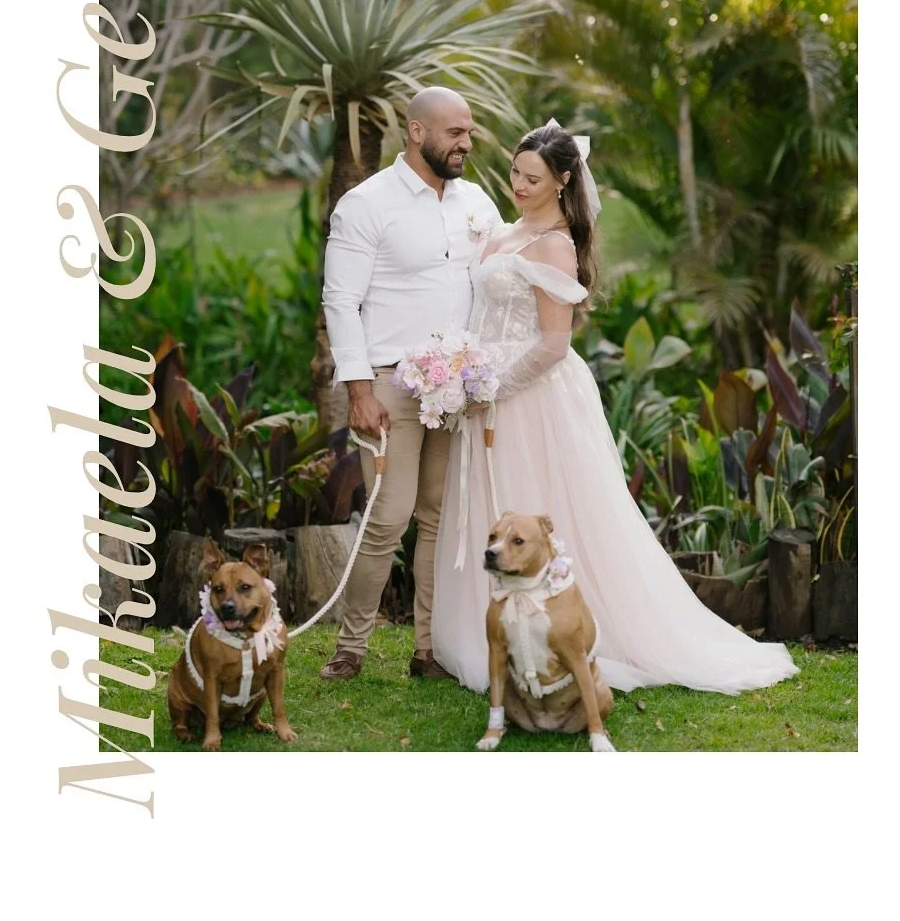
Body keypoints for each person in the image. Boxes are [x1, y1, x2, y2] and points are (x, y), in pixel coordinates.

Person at [431, 119, 800, 696]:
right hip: (482, 388)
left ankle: (566, 630)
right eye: (514, 173)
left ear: (562, 183)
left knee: (548, 506)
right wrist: (458, 371)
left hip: (529, 396)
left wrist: (489, 387)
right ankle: (492, 631)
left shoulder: (554, 244)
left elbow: (554, 344)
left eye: (532, 179)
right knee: (490, 505)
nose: (518, 186)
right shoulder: (505, 230)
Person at [318, 86, 502, 680]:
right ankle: (351, 647)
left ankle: (429, 650)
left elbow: (499, 278)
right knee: (389, 516)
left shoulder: (477, 201)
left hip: (459, 386)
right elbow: (340, 301)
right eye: (455, 133)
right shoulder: (366, 203)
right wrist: (358, 390)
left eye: (469, 133)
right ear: (416, 132)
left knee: (439, 516)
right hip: (389, 383)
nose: (466, 144)